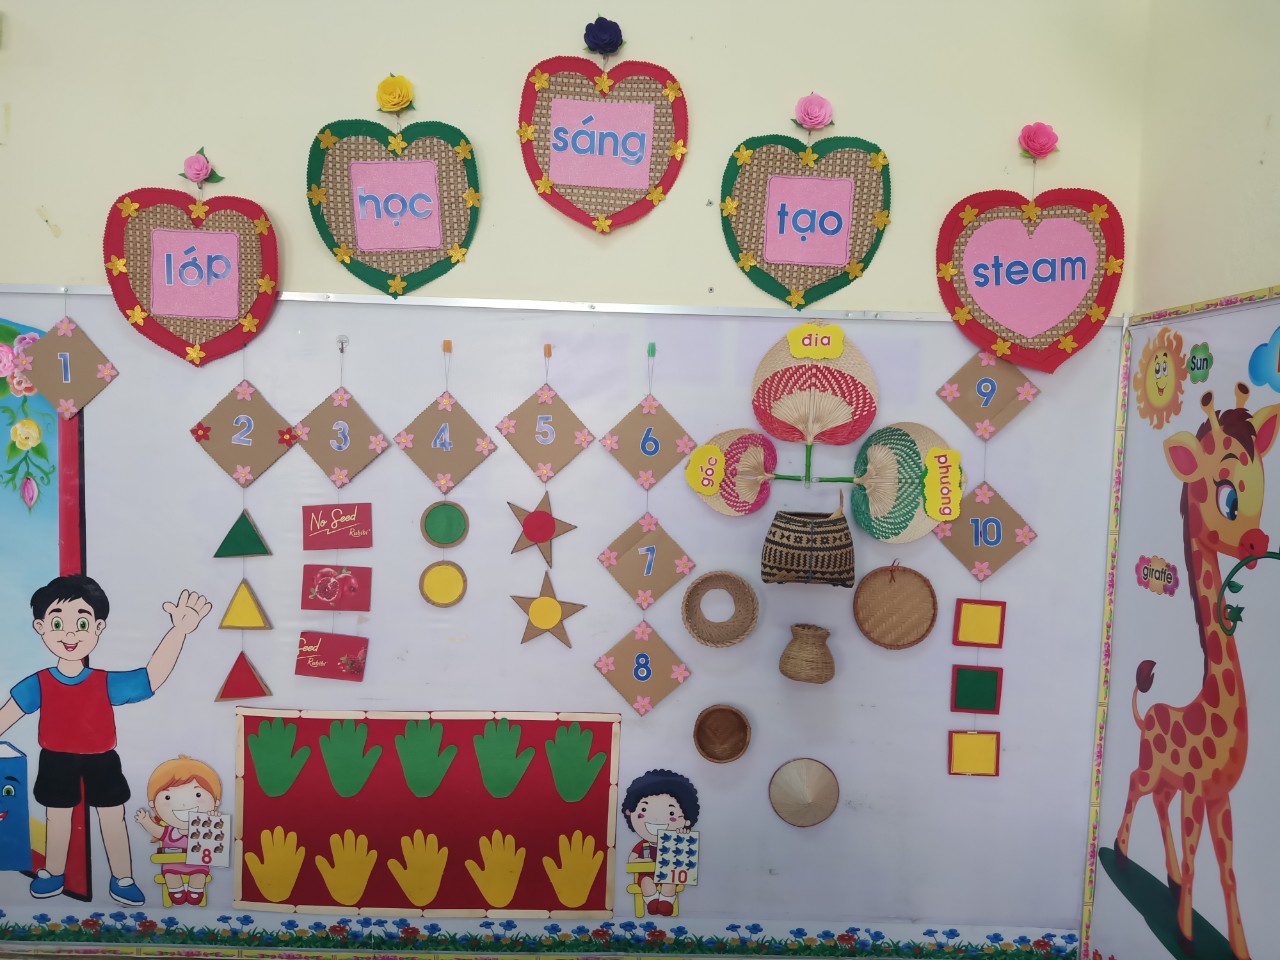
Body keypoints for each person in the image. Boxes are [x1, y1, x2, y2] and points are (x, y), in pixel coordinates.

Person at [0, 575, 211, 904]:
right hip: (56, 759)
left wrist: (179, 631)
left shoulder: (104, 682)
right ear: (40, 627)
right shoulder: (39, 683)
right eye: (58, 623)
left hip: (102, 759)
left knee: (113, 817)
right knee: (58, 818)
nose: (70, 635)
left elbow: (151, 677)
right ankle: (53, 872)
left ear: (98, 628)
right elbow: (6, 716)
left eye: (82, 624)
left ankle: (123, 878)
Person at [133, 756, 222, 906]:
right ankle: (176, 890)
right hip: (172, 866)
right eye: (168, 797)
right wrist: (145, 821)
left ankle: (195, 890)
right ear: (153, 804)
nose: (183, 804)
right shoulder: (169, 832)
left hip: (198, 866)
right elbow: (157, 831)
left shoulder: (204, 828)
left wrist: (213, 820)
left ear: (215, 801)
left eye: (198, 794)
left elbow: (216, 837)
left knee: (199, 875)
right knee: (170, 875)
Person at [621, 769, 699, 916]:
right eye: (644, 809)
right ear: (630, 812)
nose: (656, 819)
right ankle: (652, 901)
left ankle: (665, 902)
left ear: (686, 819)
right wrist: (643, 861)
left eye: (671, 813)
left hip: (668, 876)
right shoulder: (642, 846)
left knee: (670, 882)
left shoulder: (677, 841)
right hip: (647, 875)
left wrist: (682, 837)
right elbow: (632, 861)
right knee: (646, 882)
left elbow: (684, 859)